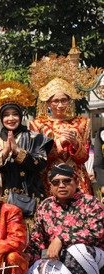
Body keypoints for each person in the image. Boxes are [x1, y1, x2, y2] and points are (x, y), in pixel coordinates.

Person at [26, 163, 104, 274]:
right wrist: (25, 263)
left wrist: (61, 239)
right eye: (56, 182)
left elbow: (97, 232)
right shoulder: (45, 205)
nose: (61, 185)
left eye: (66, 181)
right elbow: (36, 240)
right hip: (60, 260)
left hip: (95, 259)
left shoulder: (91, 202)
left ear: (76, 182)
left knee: (76, 251)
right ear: (51, 186)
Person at [0, 81, 52, 219]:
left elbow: (40, 165)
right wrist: (3, 154)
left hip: (30, 197)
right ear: (1, 117)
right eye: (6, 115)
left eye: (15, 114)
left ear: (21, 116)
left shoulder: (35, 138)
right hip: (1, 199)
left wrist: (17, 152)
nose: (11, 118)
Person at [29, 57, 93, 195]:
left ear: (69, 101)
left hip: (77, 179)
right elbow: (38, 159)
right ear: (48, 103)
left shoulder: (82, 123)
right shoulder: (38, 124)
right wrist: (59, 143)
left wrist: (76, 144)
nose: (60, 105)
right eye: (55, 101)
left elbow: (84, 158)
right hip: (51, 179)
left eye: (64, 100)